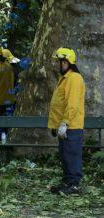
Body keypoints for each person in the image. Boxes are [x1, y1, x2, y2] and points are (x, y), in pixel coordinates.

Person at [48, 47, 85, 194]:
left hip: (71, 126)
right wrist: (56, 125)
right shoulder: (65, 78)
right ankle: (67, 182)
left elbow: (72, 104)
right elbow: (59, 104)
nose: (59, 65)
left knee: (71, 155)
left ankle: (74, 185)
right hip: (64, 125)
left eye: (61, 62)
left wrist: (65, 123)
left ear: (67, 62)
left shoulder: (74, 78)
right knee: (65, 155)